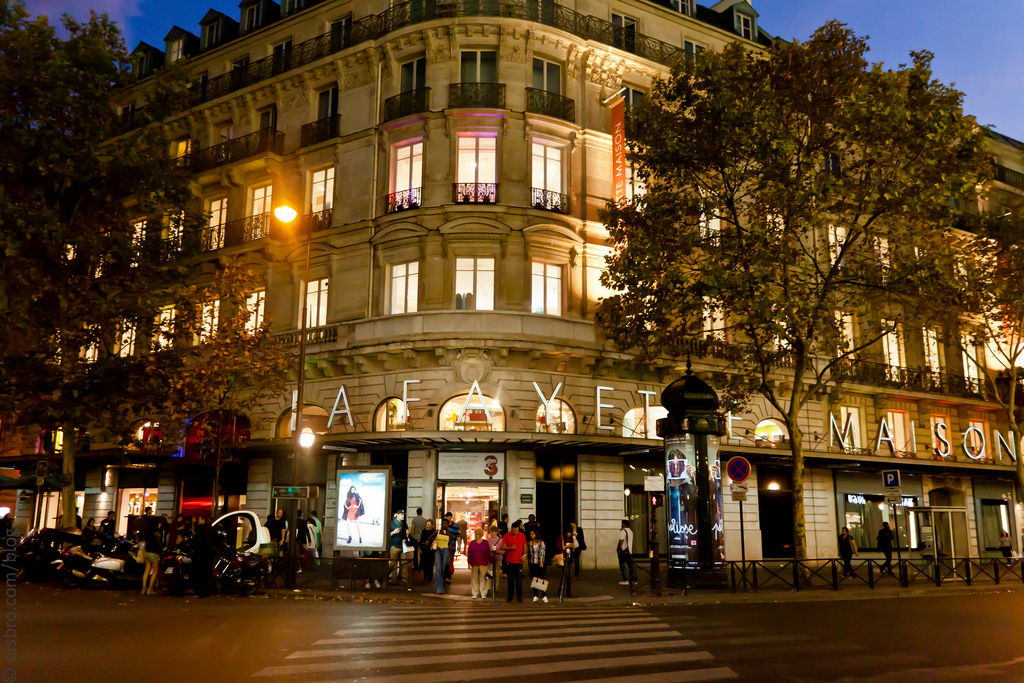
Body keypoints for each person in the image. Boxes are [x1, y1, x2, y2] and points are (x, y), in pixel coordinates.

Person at [502, 521, 526, 602]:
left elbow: (524, 546)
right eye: (514, 531)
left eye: (517, 530)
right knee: (510, 581)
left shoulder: (522, 535)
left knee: (519, 581)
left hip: (519, 562)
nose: (515, 532)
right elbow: (503, 546)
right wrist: (511, 548)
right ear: (511, 529)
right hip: (510, 561)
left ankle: (519, 597)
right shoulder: (507, 535)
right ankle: (510, 597)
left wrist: (524, 555)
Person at [141, 512, 164, 595]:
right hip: (154, 554)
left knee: (146, 570)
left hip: (147, 552)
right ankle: (150, 588)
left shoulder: (147, 532)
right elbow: (159, 545)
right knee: (155, 571)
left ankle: (143, 587)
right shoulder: (156, 533)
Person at [468, 528, 492, 599]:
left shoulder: (485, 543)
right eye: (475, 534)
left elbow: (488, 553)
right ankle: (475, 593)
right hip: (474, 563)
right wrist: (469, 563)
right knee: (474, 578)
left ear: (481, 535)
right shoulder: (472, 543)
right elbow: (469, 553)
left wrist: (490, 561)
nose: (476, 536)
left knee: (483, 578)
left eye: (477, 534)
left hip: (483, 563)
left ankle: (483, 593)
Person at [432, 516, 452, 594]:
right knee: (438, 569)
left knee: (443, 569)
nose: (444, 525)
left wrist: (451, 557)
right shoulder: (438, 531)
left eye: (446, 523)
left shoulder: (449, 533)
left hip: (445, 550)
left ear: (448, 525)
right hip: (438, 550)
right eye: (443, 523)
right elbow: (430, 537)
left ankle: (442, 586)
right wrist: (430, 541)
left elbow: (450, 545)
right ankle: (439, 589)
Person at [527, 529, 547, 603]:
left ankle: (544, 595)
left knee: (541, 578)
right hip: (532, 562)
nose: (531, 535)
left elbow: (542, 552)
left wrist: (541, 561)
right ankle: (535, 595)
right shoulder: (529, 543)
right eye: (531, 534)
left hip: (539, 562)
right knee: (534, 579)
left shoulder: (541, 543)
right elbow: (528, 552)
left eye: (533, 534)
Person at [557, 526, 576, 598]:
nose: (569, 534)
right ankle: (562, 590)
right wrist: (564, 547)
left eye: (570, 533)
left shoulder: (571, 539)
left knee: (567, 575)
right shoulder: (561, 539)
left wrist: (572, 547)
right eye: (568, 532)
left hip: (569, 559)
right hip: (564, 559)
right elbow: (558, 548)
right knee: (566, 574)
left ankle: (566, 591)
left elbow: (574, 548)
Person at [617, 519, 637, 585]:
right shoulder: (631, 531)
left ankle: (625, 580)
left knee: (623, 565)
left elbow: (621, 541)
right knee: (631, 566)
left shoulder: (623, 532)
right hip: (630, 551)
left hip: (624, 551)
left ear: (623, 524)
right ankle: (634, 580)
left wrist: (618, 548)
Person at [389, 511, 406, 582]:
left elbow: (406, 535)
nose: (403, 516)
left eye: (403, 515)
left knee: (404, 563)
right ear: (397, 515)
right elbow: (387, 535)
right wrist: (393, 532)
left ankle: (402, 580)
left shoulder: (404, 524)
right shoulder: (391, 523)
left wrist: (407, 533)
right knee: (393, 564)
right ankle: (390, 578)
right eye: (401, 515)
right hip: (394, 545)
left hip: (403, 546)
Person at [420, 519, 437, 584]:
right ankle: (425, 574)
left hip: (431, 549)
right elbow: (421, 540)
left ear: (432, 525)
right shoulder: (423, 531)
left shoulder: (433, 532)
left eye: (430, 524)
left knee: (431, 563)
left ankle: (430, 576)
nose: (428, 525)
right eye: (427, 524)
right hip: (425, 549)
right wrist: (420, 549)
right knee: (425, 562)